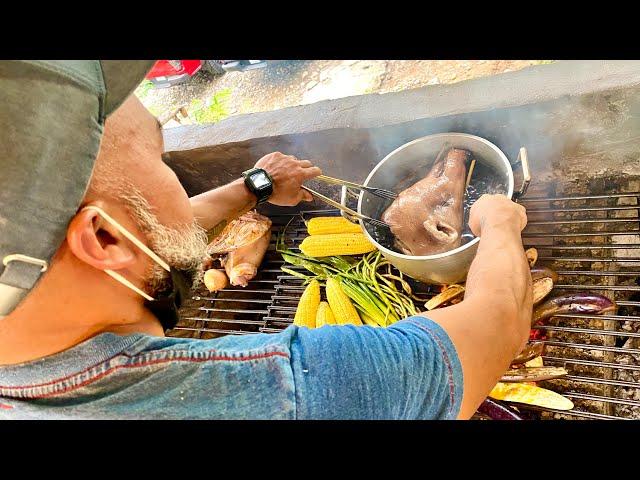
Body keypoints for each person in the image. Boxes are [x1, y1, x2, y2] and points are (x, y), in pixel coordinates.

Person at [0, 60, 531, 419]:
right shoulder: (272, 393)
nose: (177, 182)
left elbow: (157, 227)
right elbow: (496, 325)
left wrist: (252, 186)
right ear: (105, 239)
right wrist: (499, 224)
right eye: (162, 161)